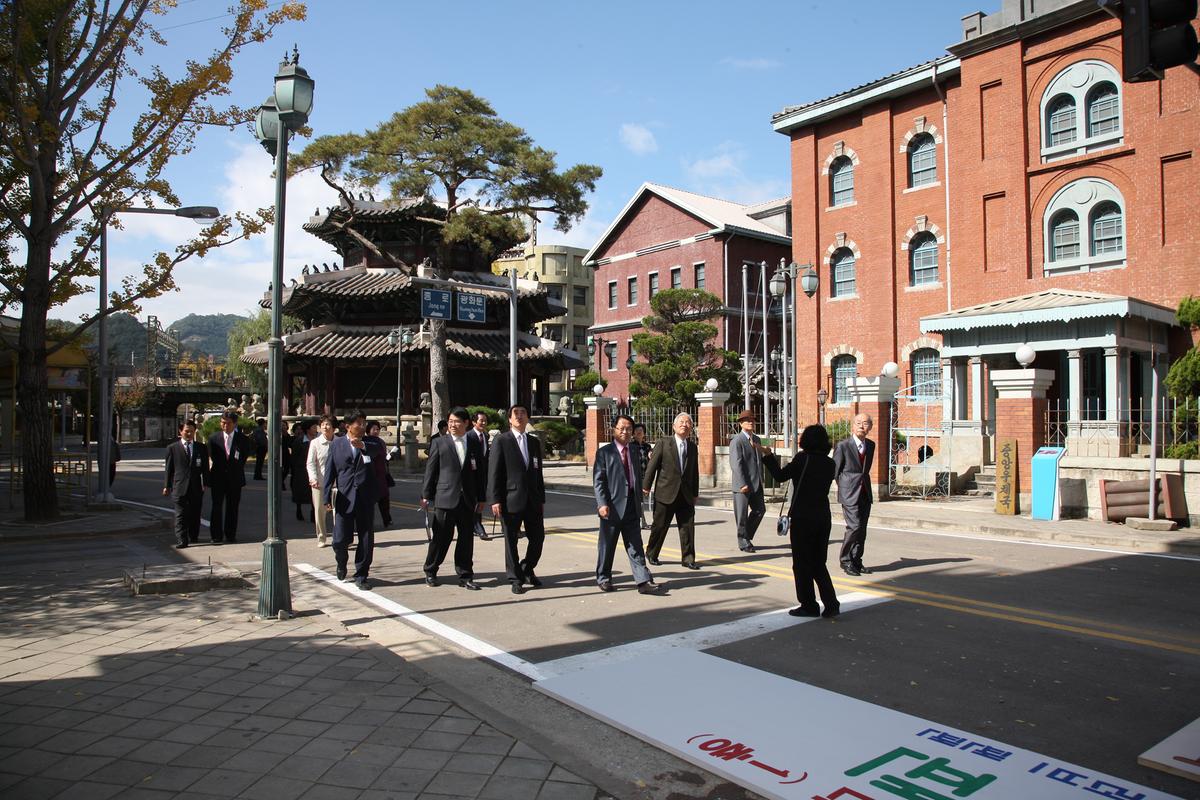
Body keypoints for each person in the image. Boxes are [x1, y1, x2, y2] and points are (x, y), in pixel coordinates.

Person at [761, 424, 840, 618]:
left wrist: (768, 456)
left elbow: (779, 476)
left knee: (802, 563)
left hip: (803, 517)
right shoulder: (830, 464)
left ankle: (808, 604)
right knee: (819, 562)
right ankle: (831, 603)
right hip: (823, 516)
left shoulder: (802, 459)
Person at [592, 414, 659, 594]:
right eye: (621, 428)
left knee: (635, 545)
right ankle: (604, 578)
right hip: (611, 506)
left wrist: (640, 496)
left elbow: (637, 476)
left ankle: (643, 581)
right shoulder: (604, 452)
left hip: (632, 505)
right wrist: (602, 504)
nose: (625, 431)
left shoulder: (635, 451)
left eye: (629, 428)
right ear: (614, 430)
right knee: (607, 545)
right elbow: (599, 481)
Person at [421, 407, 485, 590]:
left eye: (457, 421)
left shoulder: (474, 443)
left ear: (466, 423)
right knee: (441, 537)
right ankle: (431, 570)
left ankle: (465, 575)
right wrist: (426, 495)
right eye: (450, 421)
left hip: (467, 500)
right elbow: (430, 471)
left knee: (466, 539)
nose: (452, 425)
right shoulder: (440, 443)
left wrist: (481, 497)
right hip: (445, 498)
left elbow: (480, 473)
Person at [487, 404, 546, 594]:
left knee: (538, 538)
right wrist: (495, 499)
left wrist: (541, 498)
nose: (520, 416)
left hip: (533, 500)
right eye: (516, 414)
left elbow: (538, 474)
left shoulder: (534, 442)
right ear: (510, 419)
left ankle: (527, 568)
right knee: (511, 541)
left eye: (523, 413)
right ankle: (515, 578)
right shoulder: (501, 441)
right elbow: (494, 472)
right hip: (510, 499)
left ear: (528, 418)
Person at [322, 411, 383, 589]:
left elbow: (376, 451)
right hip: (345, 497)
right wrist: (326, 496)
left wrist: (362, 445)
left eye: (364, 423)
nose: (363, 426)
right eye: (358, 423)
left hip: (365, 497)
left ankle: (361, 574)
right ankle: (341, 562)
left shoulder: (371, 442)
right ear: (347, 426)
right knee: (339, 539)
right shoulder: (337, 444)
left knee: (365, 537)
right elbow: (330, 472)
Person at [642, 412, 700, 570]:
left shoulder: (693, 447)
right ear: (674, 426)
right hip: (666, 492)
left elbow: (694, 471)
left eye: (688, 422)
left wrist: (695, 493)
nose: (684, 424)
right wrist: (646, 486)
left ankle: (688, 558)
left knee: (687, 527)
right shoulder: (663, 443)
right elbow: (652, 466)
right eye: (681, 422)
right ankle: (652, 553)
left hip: (686, 494)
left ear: (691, 427)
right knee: (660, 526)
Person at [833, 413, 876, 576]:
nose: (861, 426)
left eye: (865, 423)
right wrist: (845, 486)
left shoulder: (871, 445)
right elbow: (835, 471)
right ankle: (846, 560)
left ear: (870, 427)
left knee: (862, 529)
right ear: (852, 425)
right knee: (854, 527)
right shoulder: (843, 445)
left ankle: (857, 560)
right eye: (858, 423)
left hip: (865, 491)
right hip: (849, 492)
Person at [163, 419, 209, 549]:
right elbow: (169, 469)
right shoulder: (172, 448)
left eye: (192, 432)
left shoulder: (201, 448)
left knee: (195, 513)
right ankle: (182, 540)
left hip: (196, 486)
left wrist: (206, 482)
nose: (189, 434)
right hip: (179, 486)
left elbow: (205, 467)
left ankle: (194, 536)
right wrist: (167, 485)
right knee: (180, 515)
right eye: (186, 431)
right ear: (180, 431)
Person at [207, 410, 249, 544]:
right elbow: (212, 456)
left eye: (228, 423)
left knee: (232, 507)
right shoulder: (214, 438)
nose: (225, 426)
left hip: (235, 478)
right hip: (218, 477)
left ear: (235, 424)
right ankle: (216, 535)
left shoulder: (242, 439)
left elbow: (243, 457)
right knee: (216, 507)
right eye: (223, 423)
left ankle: (230, 534)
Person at [728, 409, 766, 553]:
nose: (750, 422)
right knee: (742, 515)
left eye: (752, 420)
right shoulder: (737, 441)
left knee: (760, 510)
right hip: (742, 484)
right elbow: (736, 464)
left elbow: (758, 460)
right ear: (741, 423)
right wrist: (742, 482)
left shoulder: (756, 439)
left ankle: (746, 536)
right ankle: (743, 541)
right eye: (747, 420)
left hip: (756, 482)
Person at [306, 414, 336, 547]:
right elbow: (310, 463)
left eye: (328, 424)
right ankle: (321, 537)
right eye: (323, 424)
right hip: (320, 482)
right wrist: (313, 478)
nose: (325, 426)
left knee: (338, 513)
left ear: (334, 427)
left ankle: (339, 537)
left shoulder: (340, 441)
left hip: (337, 484)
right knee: (320, 511)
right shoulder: (315, 443)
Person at [365, 420, 394, 528]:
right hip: (371, 474)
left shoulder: (381, 441)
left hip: (382, 473)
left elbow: (384, 456)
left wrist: (389, 457)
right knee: (371, 499)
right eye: (374, 429)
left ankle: (387, 519)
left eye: (378, 429)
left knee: (384, 498)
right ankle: (368, 520)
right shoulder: (365, 441)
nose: (376, 431)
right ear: (368, 431)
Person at [470, 411, 492, 540]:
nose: (483, 423)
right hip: (472, 475)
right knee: (474, 501)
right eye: (481, 420)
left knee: (481, 500)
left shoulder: (486, 436)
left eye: (485, 421)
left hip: (483, 475)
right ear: (474, 422)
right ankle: (477, 525)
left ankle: (476, 524)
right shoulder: (469, 436)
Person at [290, 420, 316, 522]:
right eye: (313, 427)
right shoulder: (299, 441)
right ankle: (299, 509)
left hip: (314, 469)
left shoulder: (317, 439)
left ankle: (313, 512)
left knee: (314, 492)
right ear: (308, 429)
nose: (315, 429)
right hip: (301, 471)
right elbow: (294, 457)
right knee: (300, 492)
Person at [630, 423, 652, 530]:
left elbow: (652, 460)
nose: (639, 432)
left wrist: (651, 455)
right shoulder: (630, 446)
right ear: (633, 433)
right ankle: (641, 522)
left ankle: (639, 521)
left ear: (644, 433)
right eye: (637, 431)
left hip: (645, 477)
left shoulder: (647, 447)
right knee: (639, 501)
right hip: (634, 477)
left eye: (641, 431)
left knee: (641, 501)